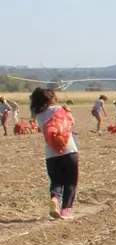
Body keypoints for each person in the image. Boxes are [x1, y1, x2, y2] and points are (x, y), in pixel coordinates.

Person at [30, 87, 80, 220]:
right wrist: (67, 111)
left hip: (51, 153)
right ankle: (66, 209)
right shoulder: (59, 109)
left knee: (56, 181)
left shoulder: (39, 116)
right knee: (71, 180)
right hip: (69, 149)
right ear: (50, 97)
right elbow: (71, 123)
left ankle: (55, 200)